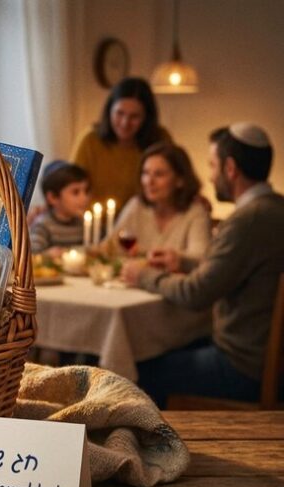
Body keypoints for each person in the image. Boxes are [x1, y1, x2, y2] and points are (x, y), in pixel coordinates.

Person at [121, 123, 284, 408]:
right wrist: (181, 261)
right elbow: (232, 268)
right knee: (166, 346)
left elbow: (196, 294)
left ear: (230, 168)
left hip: (241, 366)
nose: (210, 176)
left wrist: (143, 275)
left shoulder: (248, 219)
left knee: (130, 369)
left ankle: (154, 449)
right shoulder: (275, 208)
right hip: (264, 358)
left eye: (213, 165)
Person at [73, 78, 172, 207]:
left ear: (147, 118)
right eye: (119, 113)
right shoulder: (90, 140)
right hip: (97, 223)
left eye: (134, 116)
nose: (125, 123)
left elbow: (175, 180)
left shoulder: (160, 139)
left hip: (143, 220)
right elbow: (70, 184)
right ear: (109, 112)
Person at [110, 142, 211, 261]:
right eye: (145, 173)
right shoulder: (136, 206)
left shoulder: (195, 213)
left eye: (159, 174)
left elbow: (200, 258)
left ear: (180, 180)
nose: (149, 181)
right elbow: (110, 247)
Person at [30, 161, 91, 254]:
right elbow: (33, 257)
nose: (84, 198)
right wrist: (47, 255)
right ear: (53, 198)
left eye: (86, 191)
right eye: (76, 192)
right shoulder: (42, 226)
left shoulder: (83, 223)